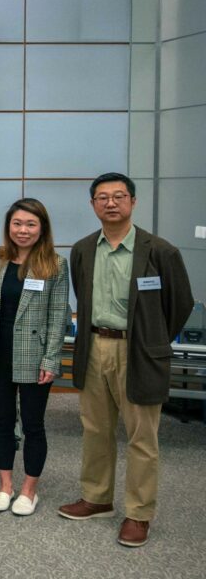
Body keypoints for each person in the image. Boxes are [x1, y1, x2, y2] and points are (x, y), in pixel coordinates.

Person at [58, 173, 193, 547]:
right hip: (94, 347)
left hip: (139, 351)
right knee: (96, 430)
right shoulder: (84, 249)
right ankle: (97, 498)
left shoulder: (160, 251)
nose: (111, 203)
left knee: (141, 437)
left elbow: (179, 304)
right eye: (103, 197)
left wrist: (152, 340)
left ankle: (138, 513)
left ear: (133, 202)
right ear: (93, 205)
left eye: (119, 196)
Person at [0, 198, 69, 516]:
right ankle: (5, 485)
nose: (23, 230)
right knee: (2, 421)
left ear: (42, 228)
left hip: (35, 356)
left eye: (31, 224)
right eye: (17, 223)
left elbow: (59, 315)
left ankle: (29, 490)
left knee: (33, 424)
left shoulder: (55, 264)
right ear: (8, 227)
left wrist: (51, 359)